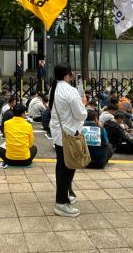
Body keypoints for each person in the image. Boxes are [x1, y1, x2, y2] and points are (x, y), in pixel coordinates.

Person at [49, 63, 87, 218]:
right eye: (71, 74)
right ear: (67, 75)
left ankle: (64, 196)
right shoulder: (70, 91)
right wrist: (83, 104)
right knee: (68, 168)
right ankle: (61, 203)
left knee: (62, 166)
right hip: (69, 134)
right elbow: (81, 115)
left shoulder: (54, 88)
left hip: (59, 133)